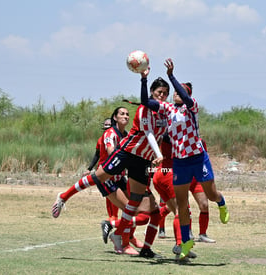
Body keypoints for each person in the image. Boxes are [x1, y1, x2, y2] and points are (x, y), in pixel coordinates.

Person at [53, 73, 170, 258]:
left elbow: (166, 133)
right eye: (158, 92)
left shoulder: (166, 112)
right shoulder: (143, 110)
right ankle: (64, 197)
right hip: (127, 153)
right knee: (97, 178)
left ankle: (134, 244)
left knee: (144, 209)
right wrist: (159, 155)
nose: (162, 96)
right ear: (151, 93)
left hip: (143, 161)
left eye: (165, 93)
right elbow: (147, 133)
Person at [142, 58, 230, 261]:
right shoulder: (167, 109)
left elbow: (184, 95)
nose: (175, 92)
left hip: (198, 159)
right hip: (179, 162)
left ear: (188, 94)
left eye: (180, 90)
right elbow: (147, 102)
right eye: (174, 89)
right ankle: (185, 242)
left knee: (211, 194)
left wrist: (172, 76)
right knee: (182, 204)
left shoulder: (192, 108)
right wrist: (143, 80)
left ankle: (222, 202)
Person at [51, 107, 147, 255]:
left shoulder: (127, 135)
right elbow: (111, 152)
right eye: (122, 114)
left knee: (137, 210)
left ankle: (129, 238)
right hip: (107, 178)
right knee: (129, 209)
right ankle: (123, 243)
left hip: (120, 177)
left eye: (128, 114)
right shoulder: (110, 133)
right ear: (114, 117)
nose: (126, 116)